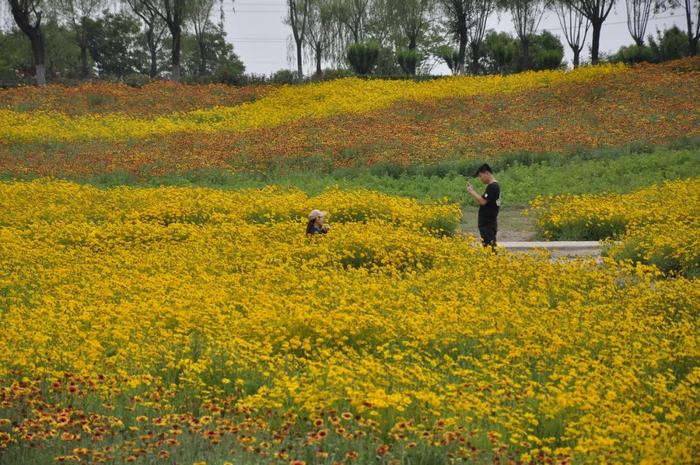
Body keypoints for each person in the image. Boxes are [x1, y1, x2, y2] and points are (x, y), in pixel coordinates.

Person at [466, 163, 500, 248]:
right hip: (489, 222)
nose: (480, 179)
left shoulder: (493, 187)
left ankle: (493, 261)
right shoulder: (493, 186)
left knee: (490, 248)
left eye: (481, 176)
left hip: (487, 223)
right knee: (488, 247)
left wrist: (471, 191)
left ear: (487, 173)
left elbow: (483, 201)